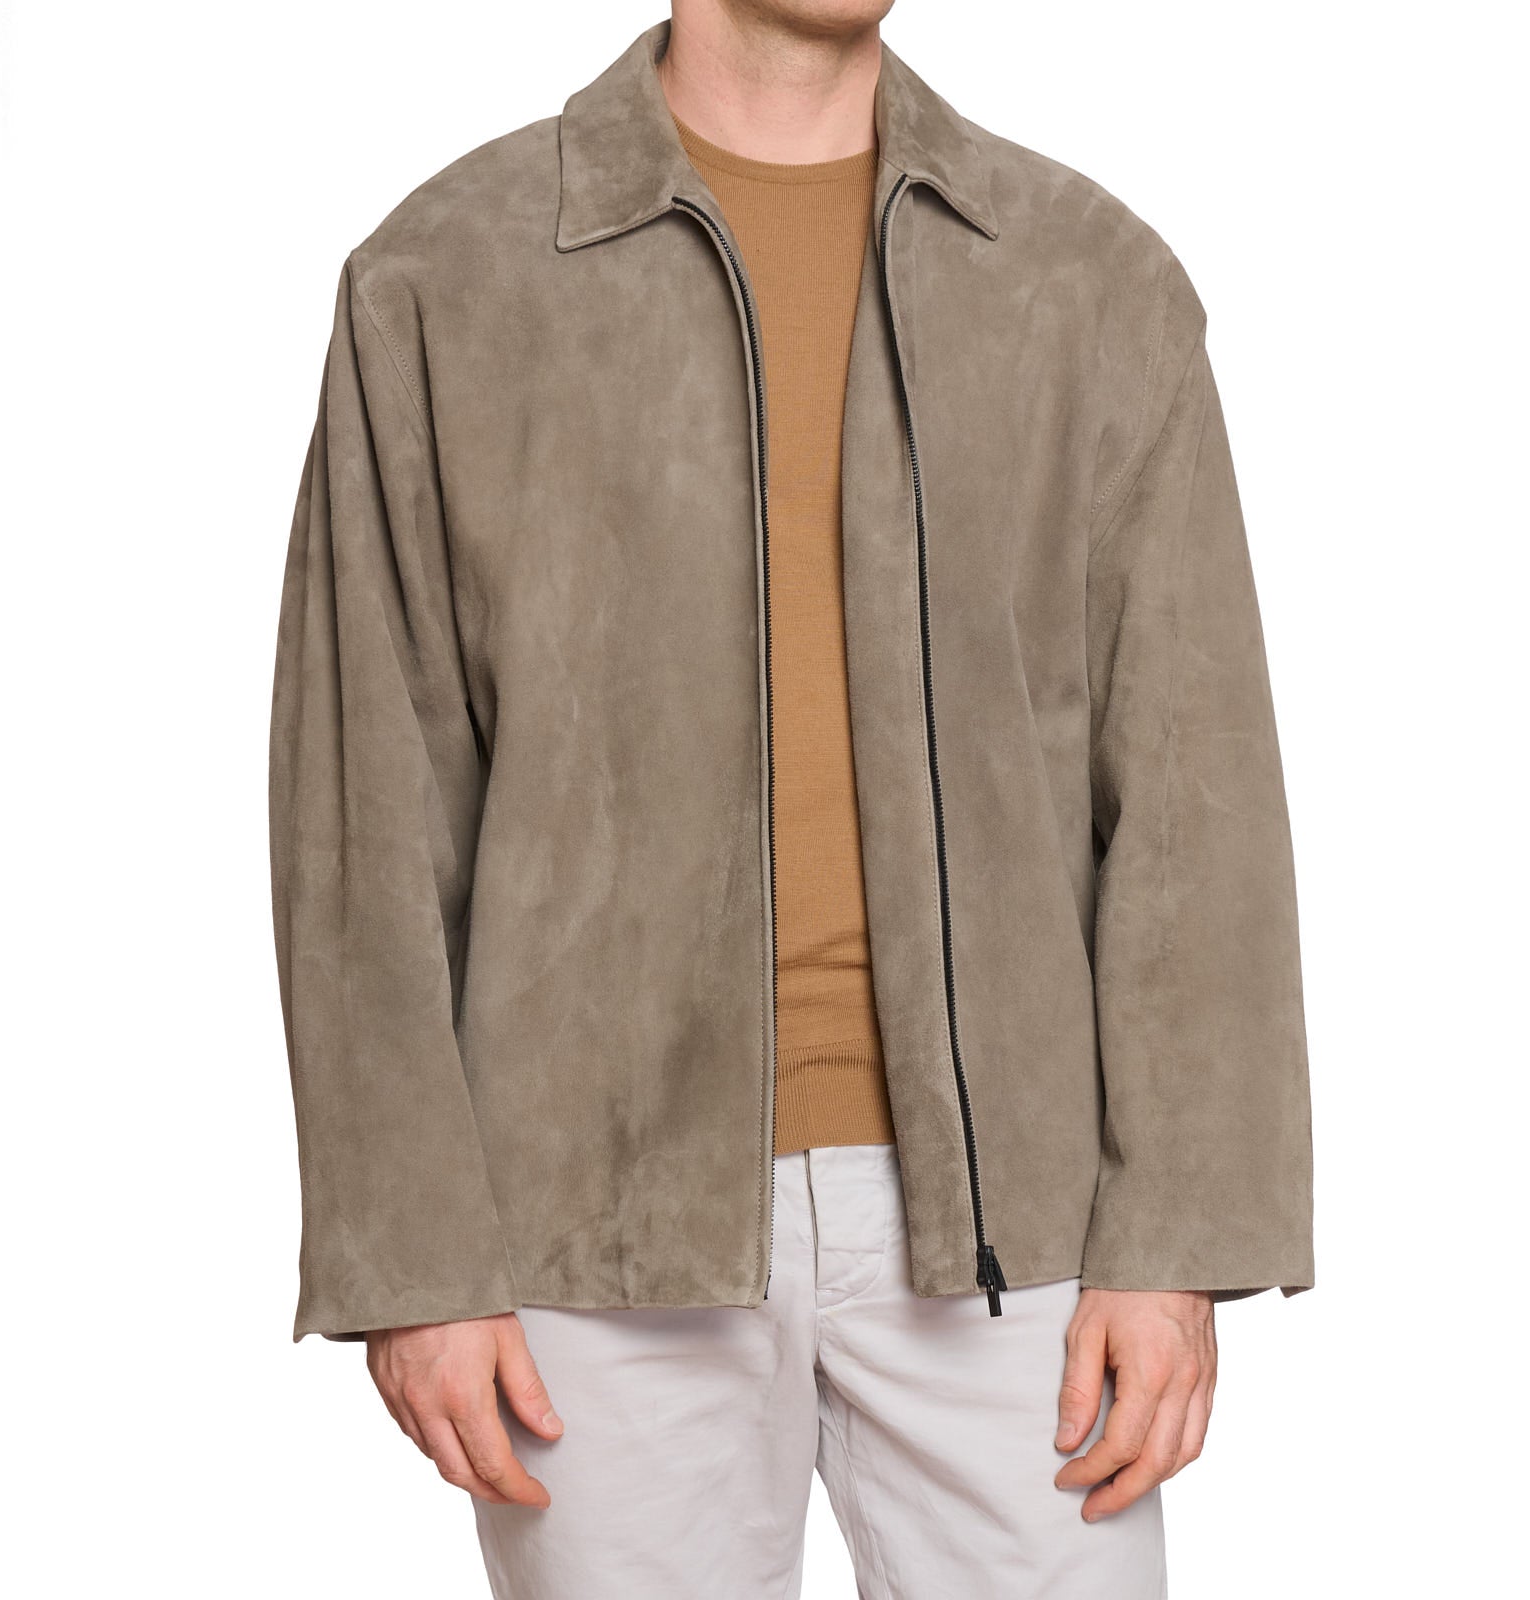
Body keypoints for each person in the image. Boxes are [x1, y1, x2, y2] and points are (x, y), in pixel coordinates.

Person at [269, 4, 1313, 1594]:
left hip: (1018, 1234)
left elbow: (1193, 784)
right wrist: (411, 1257)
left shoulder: (1085, 278)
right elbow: (362, 805)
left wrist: (1178, 1239)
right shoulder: (446, 277)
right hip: (592, 1233)